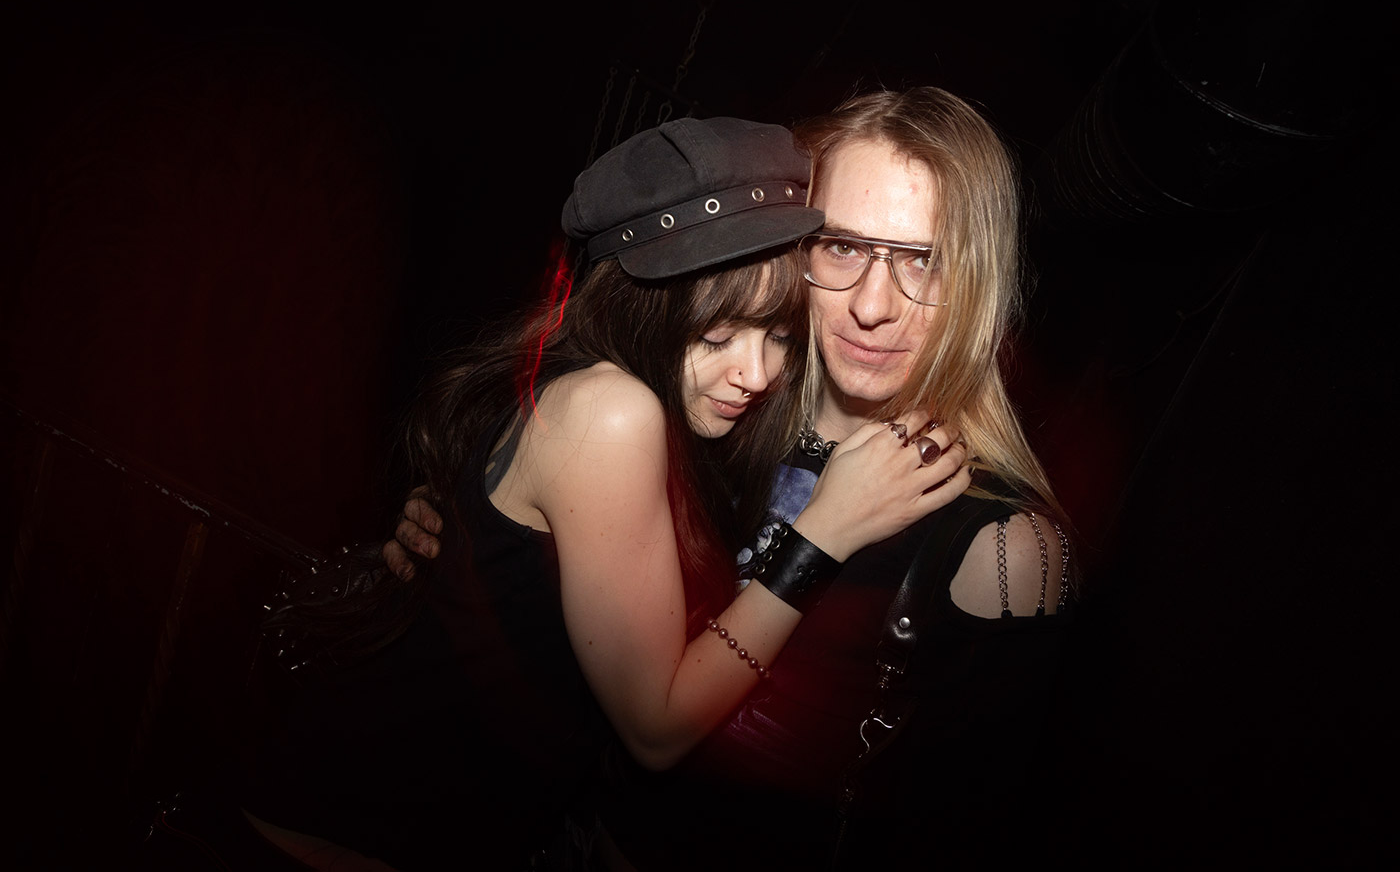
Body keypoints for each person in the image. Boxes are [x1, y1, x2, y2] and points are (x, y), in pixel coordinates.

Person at [242, 114, 972, 870]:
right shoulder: (611, 410)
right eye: (716, 337)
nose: (756, 375)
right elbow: (657, 730)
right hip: (340, 836)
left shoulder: (660, 414)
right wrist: (824, 532)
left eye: (779, 336)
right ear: (642, 311)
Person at [391, 88, 1074, 868]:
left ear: (980, 280)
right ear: (788, 248)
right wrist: (464, 535)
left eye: (925, 258)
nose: (872, 306)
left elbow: (970, 831)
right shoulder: (715, 419)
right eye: (843, 247)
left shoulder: (1001, 545)